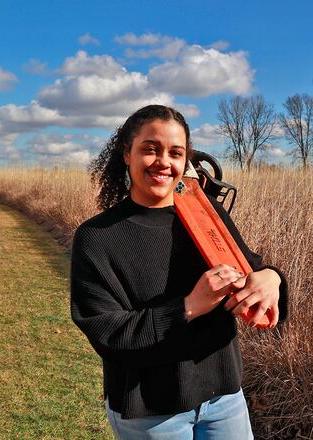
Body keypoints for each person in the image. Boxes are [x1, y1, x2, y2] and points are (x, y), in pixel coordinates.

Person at [70, 104, 289, 439]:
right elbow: (108, 333)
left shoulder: (203, 213)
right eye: (150, 149)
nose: (163, 162)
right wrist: (189, 307)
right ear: (127, 154)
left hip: (224, 398)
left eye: (175, 152)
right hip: (150, 410)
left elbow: (251, 268)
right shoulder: (97, 237)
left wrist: (272, 279)